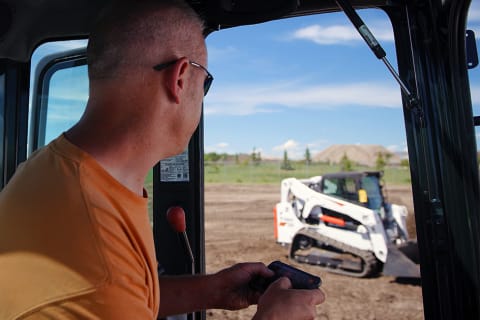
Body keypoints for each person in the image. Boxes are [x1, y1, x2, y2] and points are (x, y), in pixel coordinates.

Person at [0, 0, 325, 319]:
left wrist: (211, 290)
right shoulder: (98, 263)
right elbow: (105, 289)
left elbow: (122, 295)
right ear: (180, 79)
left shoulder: (51, 170)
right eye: (205, 82)